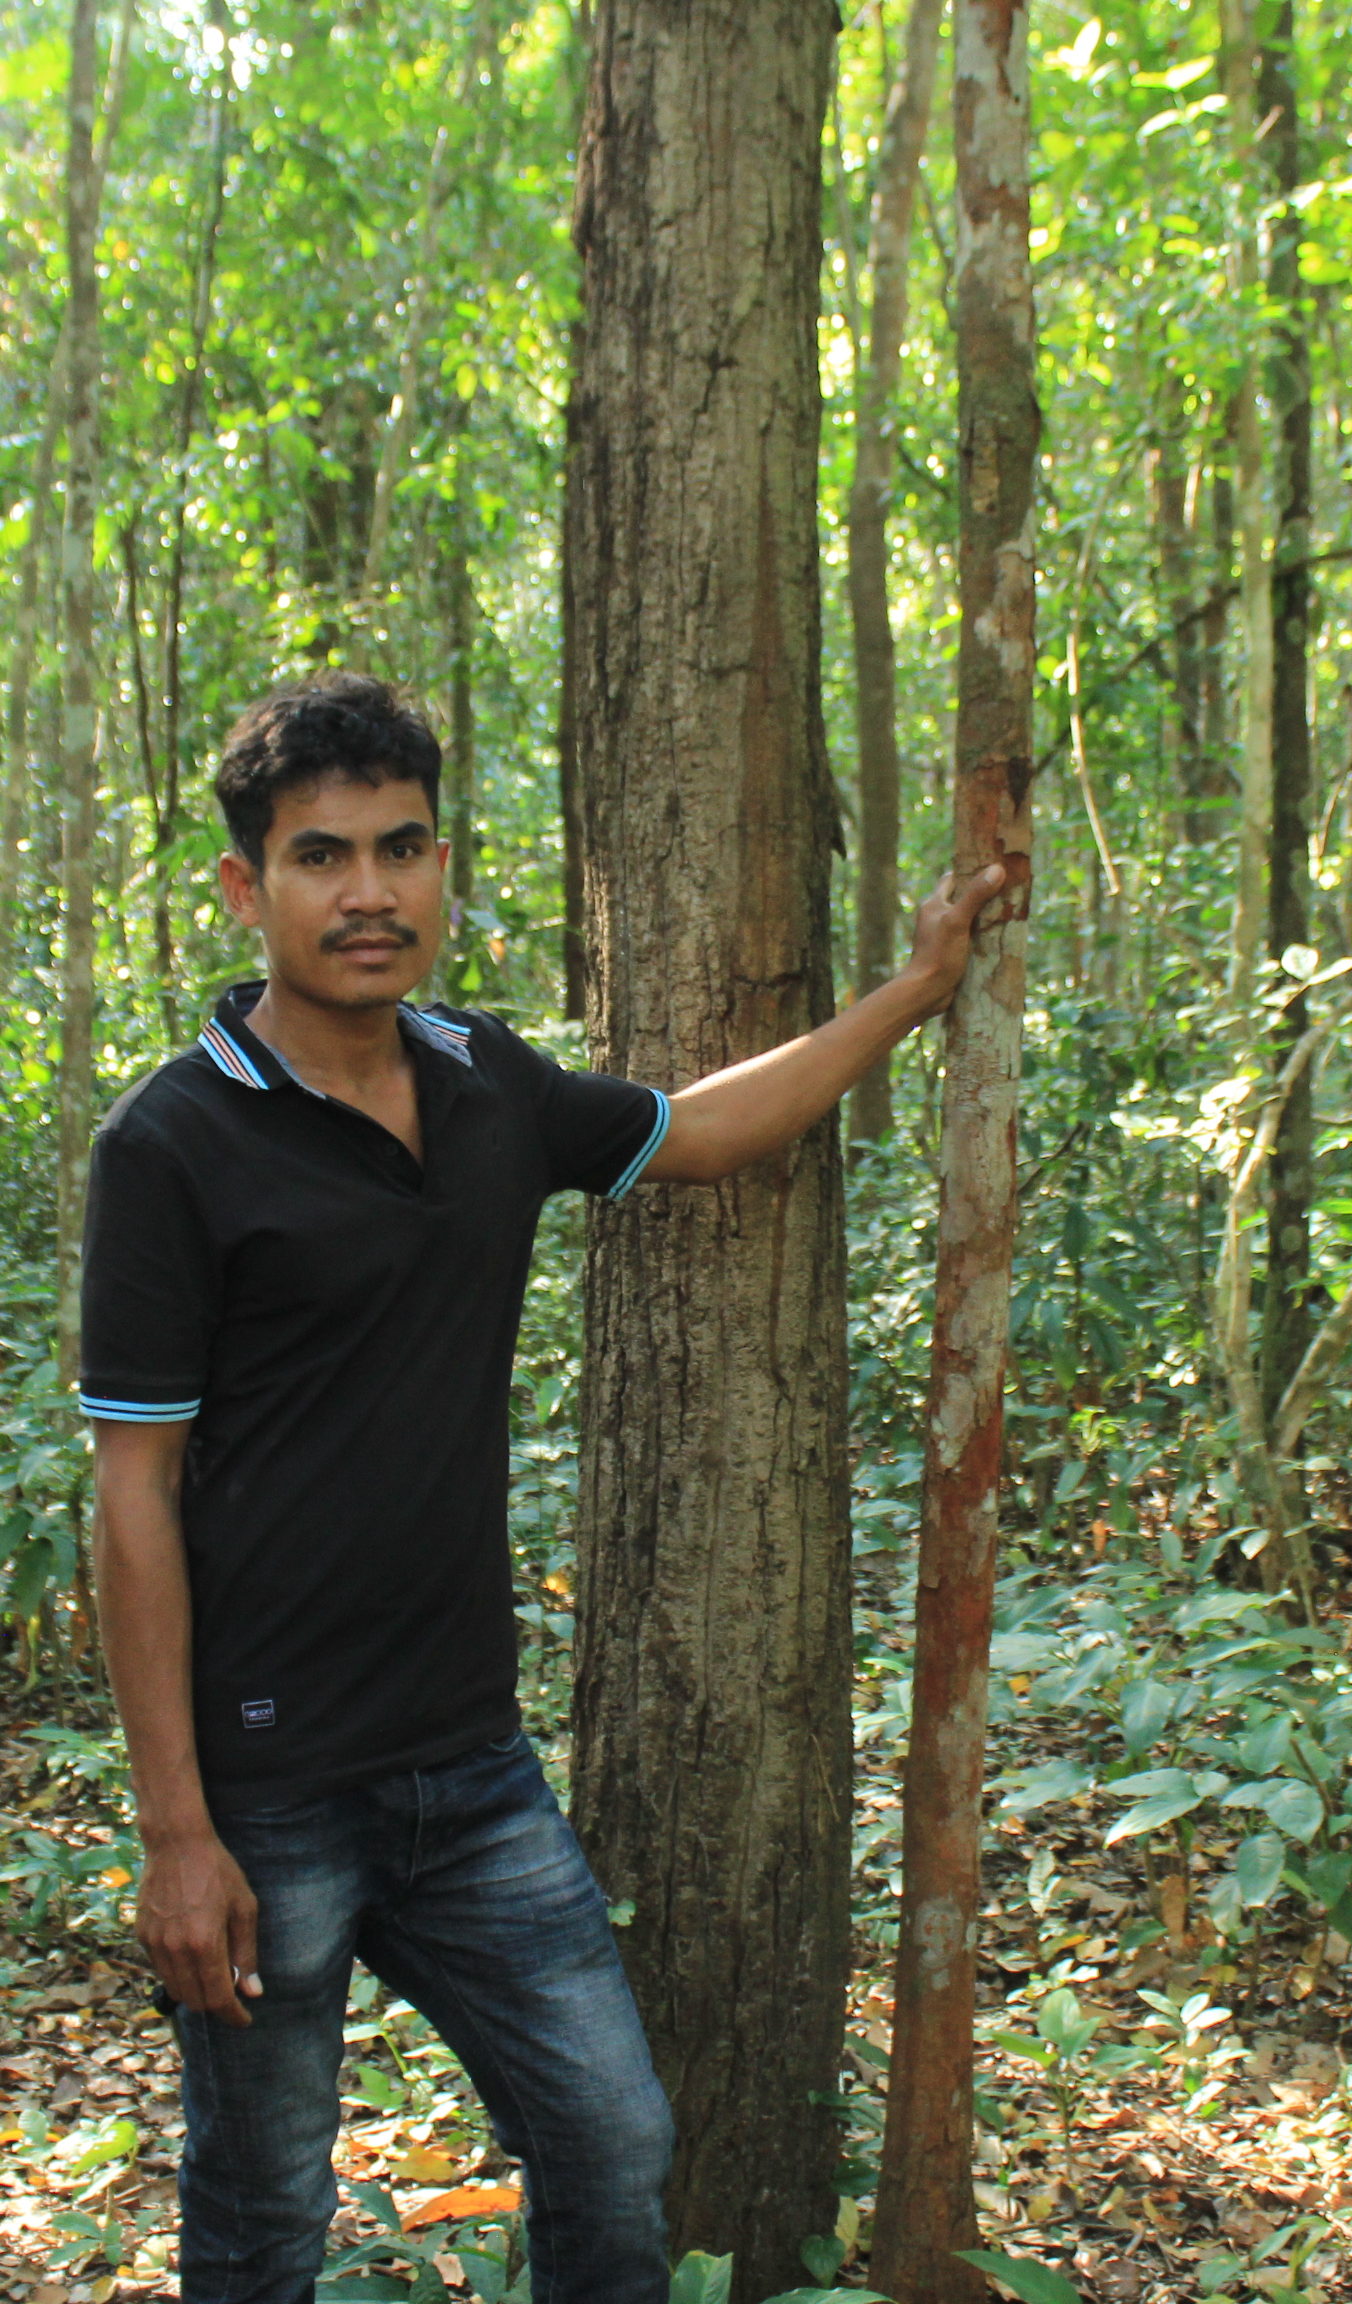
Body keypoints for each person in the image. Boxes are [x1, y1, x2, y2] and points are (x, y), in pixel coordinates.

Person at [82, 670, 1005, 2304]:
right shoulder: (170, 1146)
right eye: (319, 856)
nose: (367, 891)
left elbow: (700, 1131)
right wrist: (176, 1831)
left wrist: (917, 990)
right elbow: (132, 1495)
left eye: (401, 847)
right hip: (265, 1791)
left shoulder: (484, 1082)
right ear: (247, 886)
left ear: (443, 866)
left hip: (470, 1769)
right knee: (257, 2222)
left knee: (612, 2146)